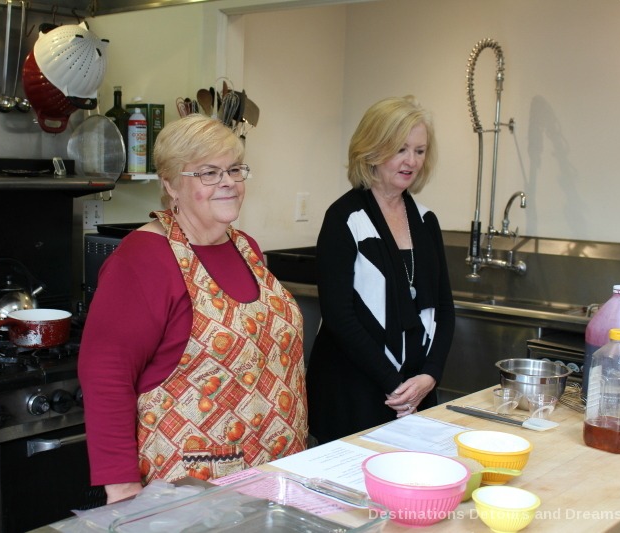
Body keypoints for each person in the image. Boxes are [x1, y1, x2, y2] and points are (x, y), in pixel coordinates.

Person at [79, 114, 308, 503]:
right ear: (170, 185)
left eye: (235, 169)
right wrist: (121, 487)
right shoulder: (144, 257)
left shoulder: (246, 248)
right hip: (191, 489)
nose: (228, 182)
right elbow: (105, 372)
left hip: (279, 471)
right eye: (208, 172)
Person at [306, 95, 455, 444]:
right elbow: (340, 317)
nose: (411, 161)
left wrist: (430, 376)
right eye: (400, 149)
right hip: (355, 393)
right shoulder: (345, 218)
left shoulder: (425, 220)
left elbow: (445, 307)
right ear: (372, 150)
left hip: (416, 391)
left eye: (419, 151)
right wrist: (396, 384)